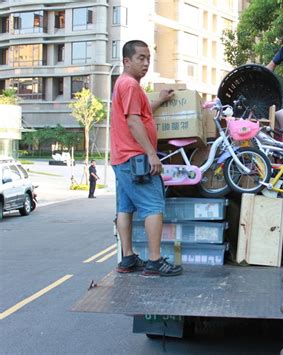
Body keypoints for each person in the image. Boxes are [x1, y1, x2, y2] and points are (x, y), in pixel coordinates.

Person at [111, 40, 182, 277]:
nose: (145, 63)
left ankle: (128, 258)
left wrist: (160, 100)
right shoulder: (130, 85)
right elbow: (133, 121)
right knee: (153, 206)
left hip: (122, 159)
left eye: (148, 58)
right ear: (126, 61)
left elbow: (140, 112)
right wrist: (151, 154)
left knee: (125, 208)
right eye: (140, 58)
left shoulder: (125, 84)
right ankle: (154, 261)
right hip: (135, 159)